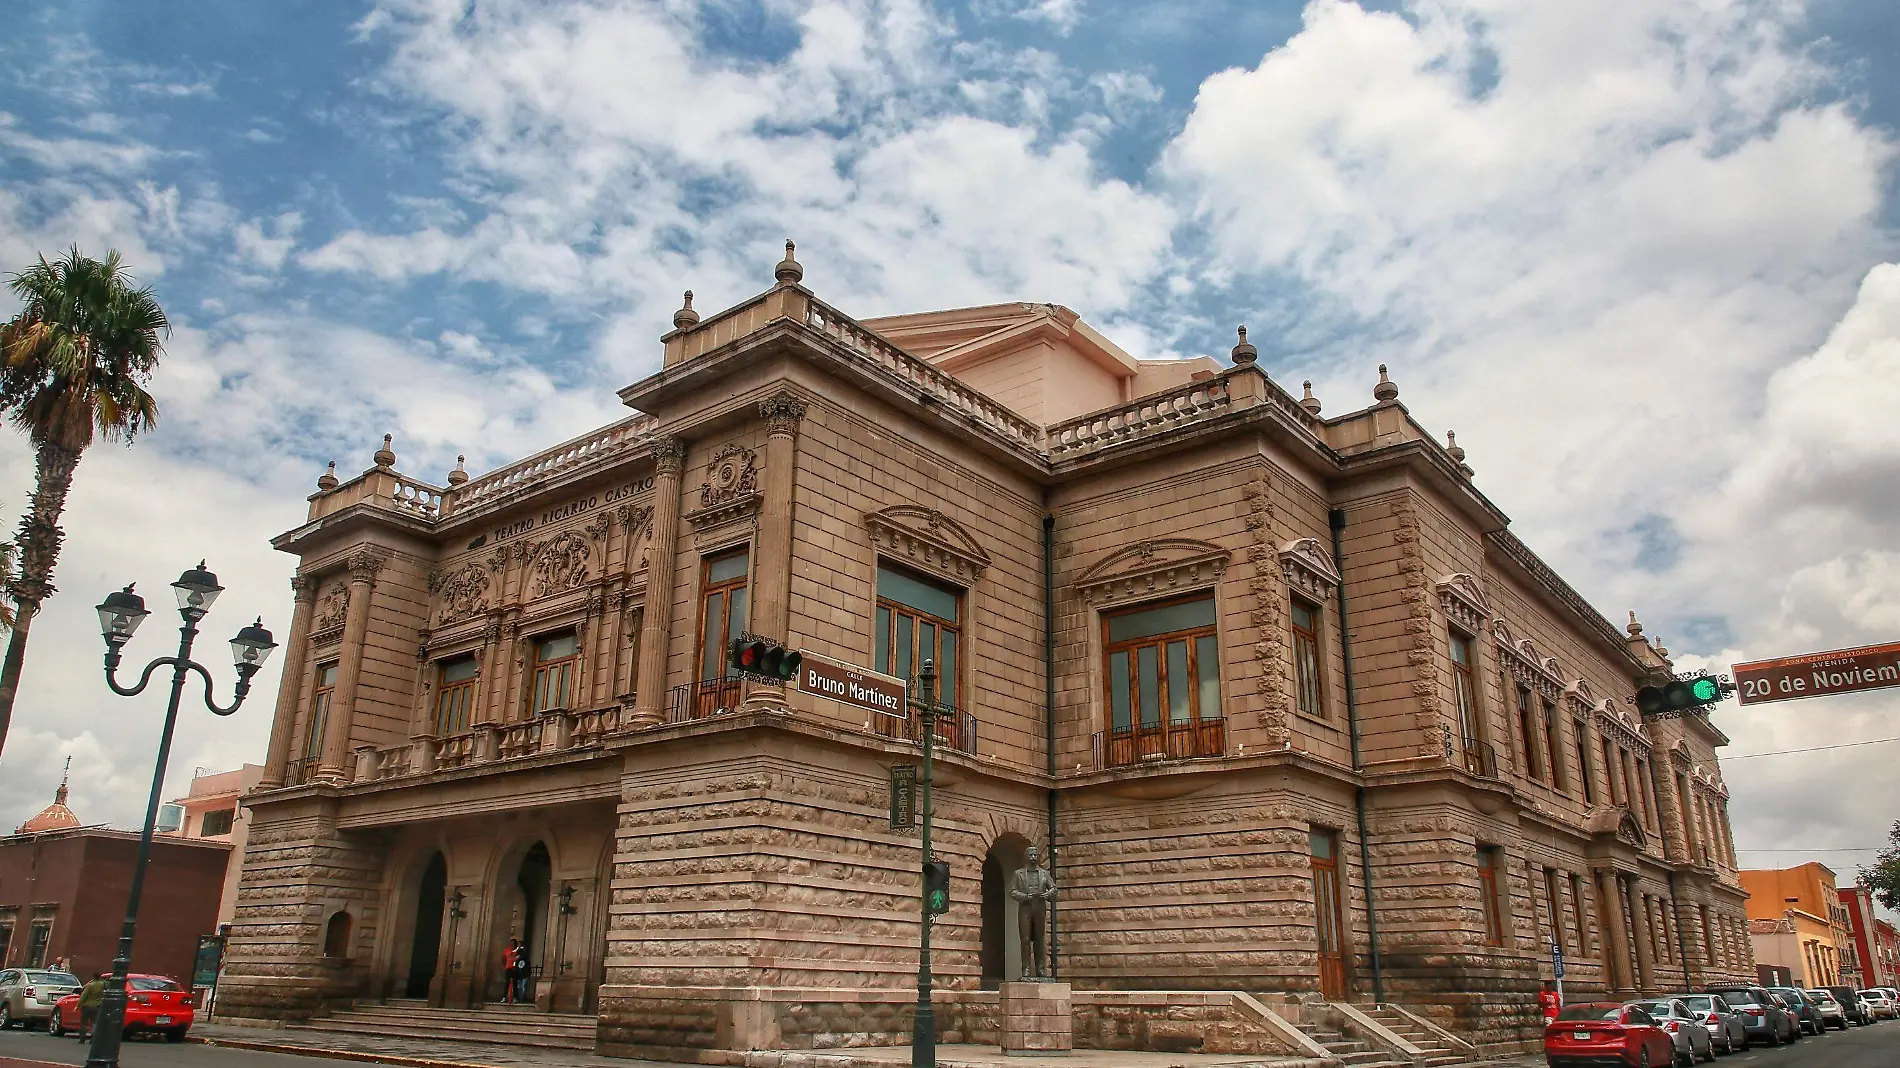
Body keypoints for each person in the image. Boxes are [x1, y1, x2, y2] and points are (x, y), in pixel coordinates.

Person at [79, 972, 108, 1039]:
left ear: (93, 977)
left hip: (87, 1006)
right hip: (97, 1006)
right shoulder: (102, 984)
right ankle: (93, 1036)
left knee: (84, 1022)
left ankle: (82, 1037)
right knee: (94, 1022)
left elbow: (84, 995)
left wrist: (79, 1004)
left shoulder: (90, 985)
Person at [501, 940, 521, 1004]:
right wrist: (503, 967)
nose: (511, 945)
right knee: (507, 983)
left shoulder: (518, 951)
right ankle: (504, 997)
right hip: (508, 968)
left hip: (514, 969)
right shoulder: (507, 951)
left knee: (515, 983)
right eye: (511, 944)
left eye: (513, 944)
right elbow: (502, 959)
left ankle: (515, 997)